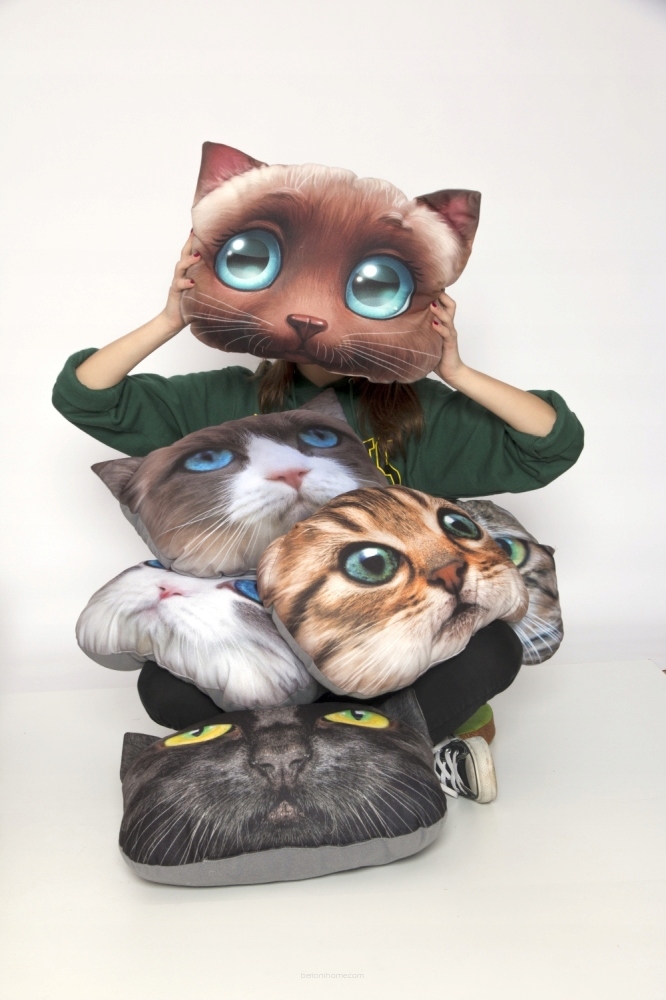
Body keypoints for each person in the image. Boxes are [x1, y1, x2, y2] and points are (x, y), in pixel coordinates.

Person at [53, 236, 584, 803]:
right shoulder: (226, 396)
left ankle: (310, 758)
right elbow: (85, 397)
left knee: (494, 648)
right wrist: (171, 318)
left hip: (386, 638)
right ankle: (395, 752)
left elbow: (549, 444)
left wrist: (453, 368)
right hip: (271, 642)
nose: (324, 318)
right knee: (163, 688)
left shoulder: (415, 410)